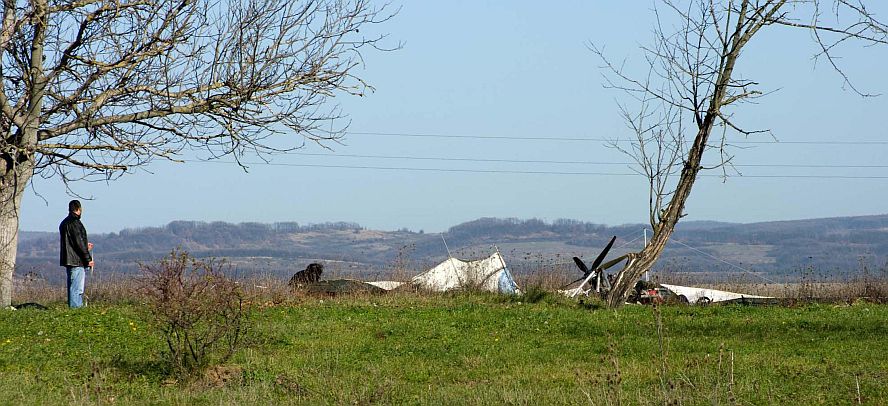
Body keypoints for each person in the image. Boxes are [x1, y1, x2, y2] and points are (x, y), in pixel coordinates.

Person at [59, 200, 93, 308]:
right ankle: (76, 310)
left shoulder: (64, 223)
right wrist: (88, 258)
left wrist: (84, 245)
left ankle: (75, 309)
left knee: (72, 286)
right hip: (77, 261)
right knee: (77, 288)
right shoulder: (75, 223)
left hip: (69, 259)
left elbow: (72, 242)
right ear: (78, 209)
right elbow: (78, 243)